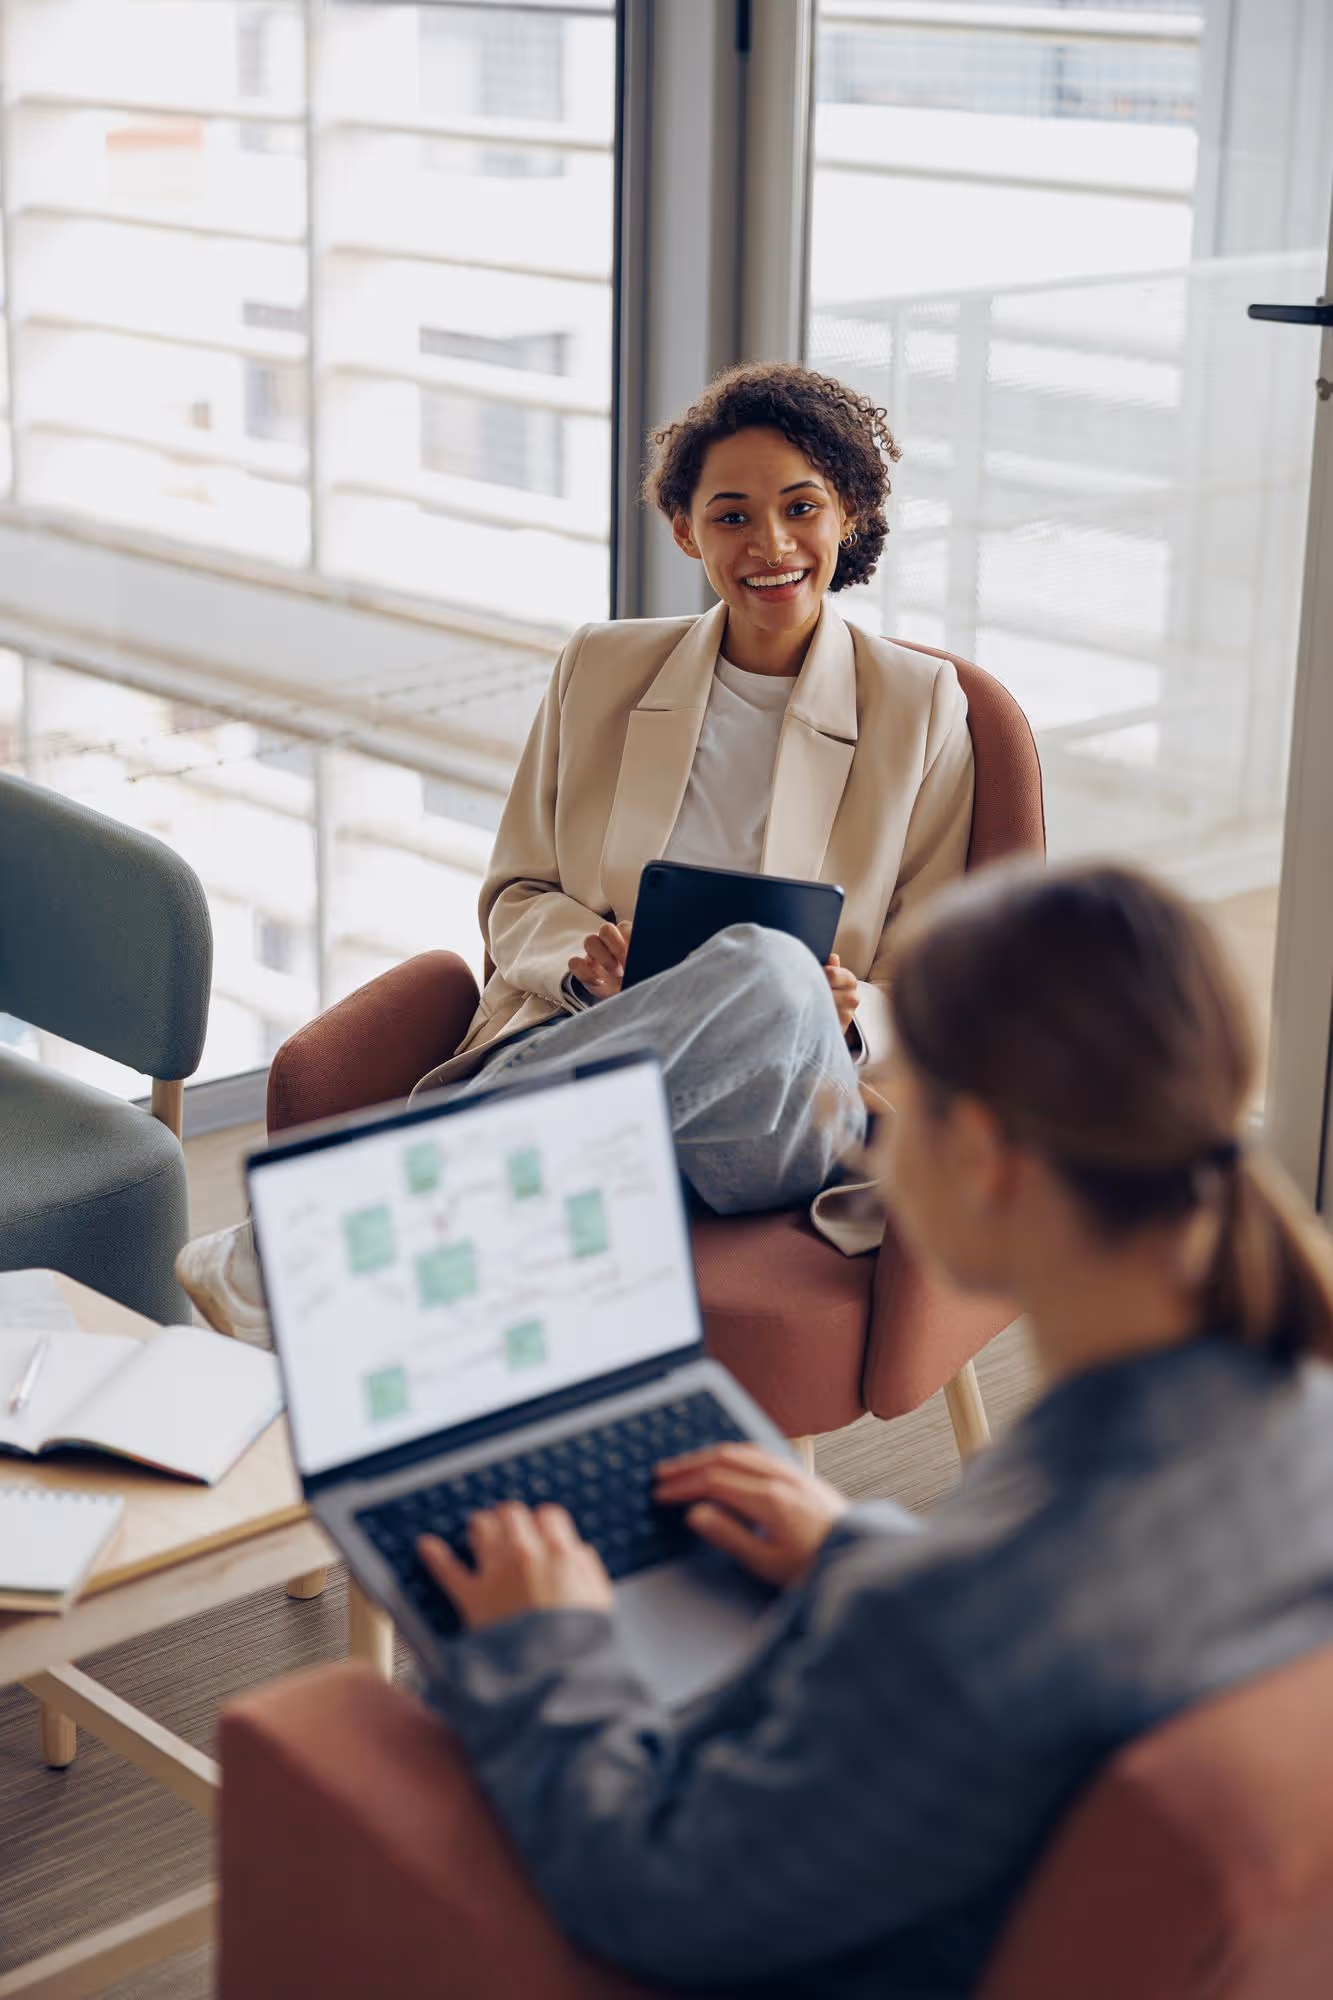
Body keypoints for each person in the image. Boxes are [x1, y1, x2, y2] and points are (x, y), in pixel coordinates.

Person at [419, 861, 1333, 2000]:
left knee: (412, 1716)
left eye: (903, 1099)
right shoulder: (1295, 1418)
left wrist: (541, 1641)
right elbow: (1090, 1617)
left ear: (988, 1156)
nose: (866, 1133)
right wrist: (863, 1552)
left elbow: (657, 1889)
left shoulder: (943, 1631)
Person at [177, 362, 974, 1335]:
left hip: (790, 1115)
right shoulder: (602, 669)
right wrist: (582, 966)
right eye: (730, 516)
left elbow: (946, 983)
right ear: (685, 530)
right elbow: (515, 890)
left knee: (775, 972)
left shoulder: (919, 705)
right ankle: (372, 1229)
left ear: (847, 510)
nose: (770, 543)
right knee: (740, 991)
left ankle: (329, 1222)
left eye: (799, 506)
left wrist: (845, 1011)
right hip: (589, 1067)